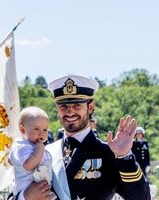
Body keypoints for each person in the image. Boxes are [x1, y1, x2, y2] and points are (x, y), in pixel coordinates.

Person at [17, 75, 151, 200]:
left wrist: (125, 157)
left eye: (77, 105)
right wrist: (24, 197)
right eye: (63, 106)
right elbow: (17, 190)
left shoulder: (108, 152)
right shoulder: (44, 152)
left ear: (90, 107)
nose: (70, 111)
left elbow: (142, 198)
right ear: (57, 109)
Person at [8, 106, 56, 200]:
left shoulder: (36, 147)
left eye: (45, 130)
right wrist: (39, 151)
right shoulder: (22, 146)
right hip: (27, 192)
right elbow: (29, 165)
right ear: (22, 129)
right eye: (36, 129)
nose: (41, 133)